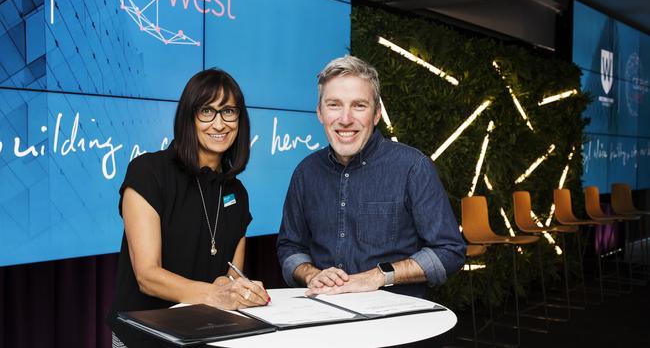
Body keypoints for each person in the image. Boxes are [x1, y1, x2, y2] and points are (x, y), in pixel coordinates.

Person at [277, 55, 466, 298]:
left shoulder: (413, 167)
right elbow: (290, 247)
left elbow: (450, 251)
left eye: (359, 105)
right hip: (324, 318)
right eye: (334, 104)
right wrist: (311, 274)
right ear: (320, 113)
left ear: (376, 114)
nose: (345, 119)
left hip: (394, 323)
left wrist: (378, 276)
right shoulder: (305, 172)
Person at [108, 69, 269, 347]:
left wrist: (237, 289)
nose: (219, 124)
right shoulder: (148, 172)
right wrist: (214, 294)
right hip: (143, 335)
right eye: (207, 111)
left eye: (229, 111)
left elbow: (229, 274)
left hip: (206, 335)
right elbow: (147, 276)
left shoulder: (237, 193)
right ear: (189, 117)